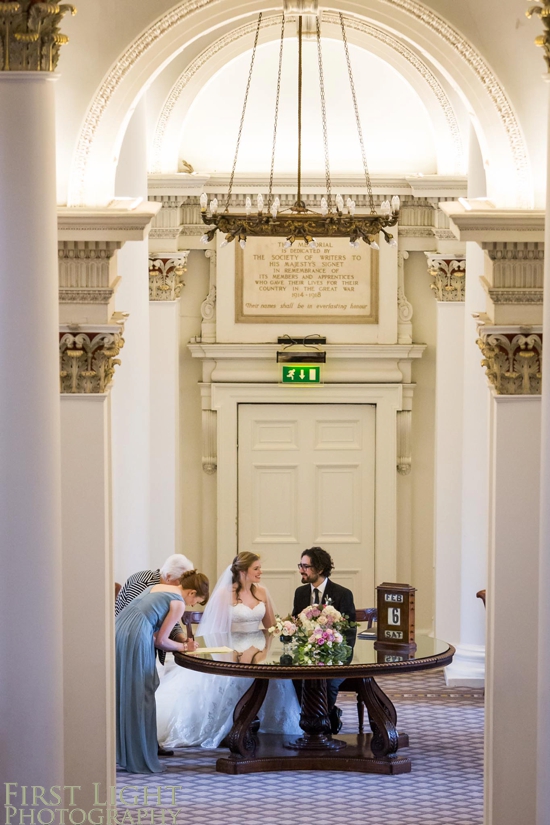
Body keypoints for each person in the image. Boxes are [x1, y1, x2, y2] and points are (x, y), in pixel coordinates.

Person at [155, 552, 302, 748]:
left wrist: (264, 652)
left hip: (258, 647)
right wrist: (231, 655)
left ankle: (264, 722)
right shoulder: (226, 594)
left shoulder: (262, 592)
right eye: (256, 568)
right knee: (232, 678)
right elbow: (216, 630)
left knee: (271, 676)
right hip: (230, 646)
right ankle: (231, 724)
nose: (261, 572)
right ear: (243, 571)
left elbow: (270, 628)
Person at [116, 569, 209, 774]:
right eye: (196, 601)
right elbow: (161, 641)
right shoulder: (178, 602)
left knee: (126, 690)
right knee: (142, 693)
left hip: (120, 630)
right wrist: (185, 648)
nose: (191, 606)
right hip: (136, 635)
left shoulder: (157, 586)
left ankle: (125, 751)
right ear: (192, 593)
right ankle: (138, 756)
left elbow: (155, 626)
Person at [292, 546, 356, 734]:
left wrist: (340, 656)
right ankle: (314, 720)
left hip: (335, 656)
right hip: (306, 656)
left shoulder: (342, 594)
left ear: (319, 569)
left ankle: (324, 723)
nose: (301, 570)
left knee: (327, 683)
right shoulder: (300, 593)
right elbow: (296, 624)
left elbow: (350, 631)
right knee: (294, 680)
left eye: (306, 566)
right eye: (300, 565)